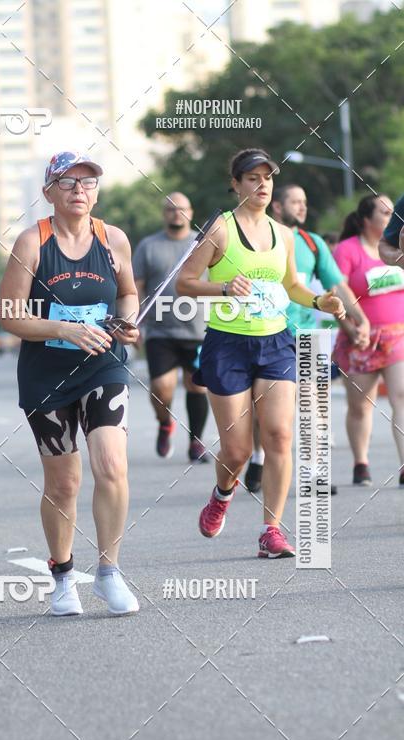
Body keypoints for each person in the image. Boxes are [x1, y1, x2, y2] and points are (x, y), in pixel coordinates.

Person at [176, 148, 344, 558]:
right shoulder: (219, 229)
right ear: (236, 185)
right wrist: (223, 287)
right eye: (252, 178)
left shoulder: (283, 234)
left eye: (267, 177)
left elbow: (291, 287)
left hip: (275, 342)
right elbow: (184, 282)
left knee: (280, 435)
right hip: (227, 344)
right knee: (237, 450)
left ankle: (272, 530)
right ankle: (221, 494)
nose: (261, 184)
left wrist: (321, 301)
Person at [0, 151, 140, 615]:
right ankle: (63, 576)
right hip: (47, 375)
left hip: (104, 365)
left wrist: (127, 322)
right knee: (64, 484)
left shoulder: (113, 239)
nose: (79, 190)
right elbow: (10, 315)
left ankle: (109, 572)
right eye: (68, 183)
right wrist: (64, 329)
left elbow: (127, 293)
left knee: (112, 464)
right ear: (48, 193)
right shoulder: (32, 242)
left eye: (88, 182)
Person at [244, 183, 369, 494]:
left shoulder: (313, 244)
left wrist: (360, 319)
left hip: (306, 337)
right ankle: (259, 457)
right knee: (264, 411)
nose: (301, 207)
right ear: (277, 207)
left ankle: (314, 474)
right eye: (294, 202)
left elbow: (338, 287)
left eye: (304, 202)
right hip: (264, 334)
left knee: (313, 404)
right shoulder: (261, 238)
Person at [333, 194, 404, 487]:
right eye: (384, 213)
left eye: (391, 213)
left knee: (401, 396)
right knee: (361, 405)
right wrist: (350, 328)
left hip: (397, 335)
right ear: (366, 219)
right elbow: (336, 290)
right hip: (361, 337)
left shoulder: (397, 249)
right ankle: (361, 461)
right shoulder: (347, 250)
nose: (389, 218)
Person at [132, 193, 209, 461]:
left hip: (200, 331)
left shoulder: (203, 244)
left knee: (197, 386)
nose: (177, 213)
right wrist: (135, 321)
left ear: (191, 211)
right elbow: (136, 287)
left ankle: (196, 442)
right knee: (162, 388)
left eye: (182, 209)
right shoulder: (148, 246)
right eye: (171, 209)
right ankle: (165, 423)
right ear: (164, 213)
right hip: (160, 331)